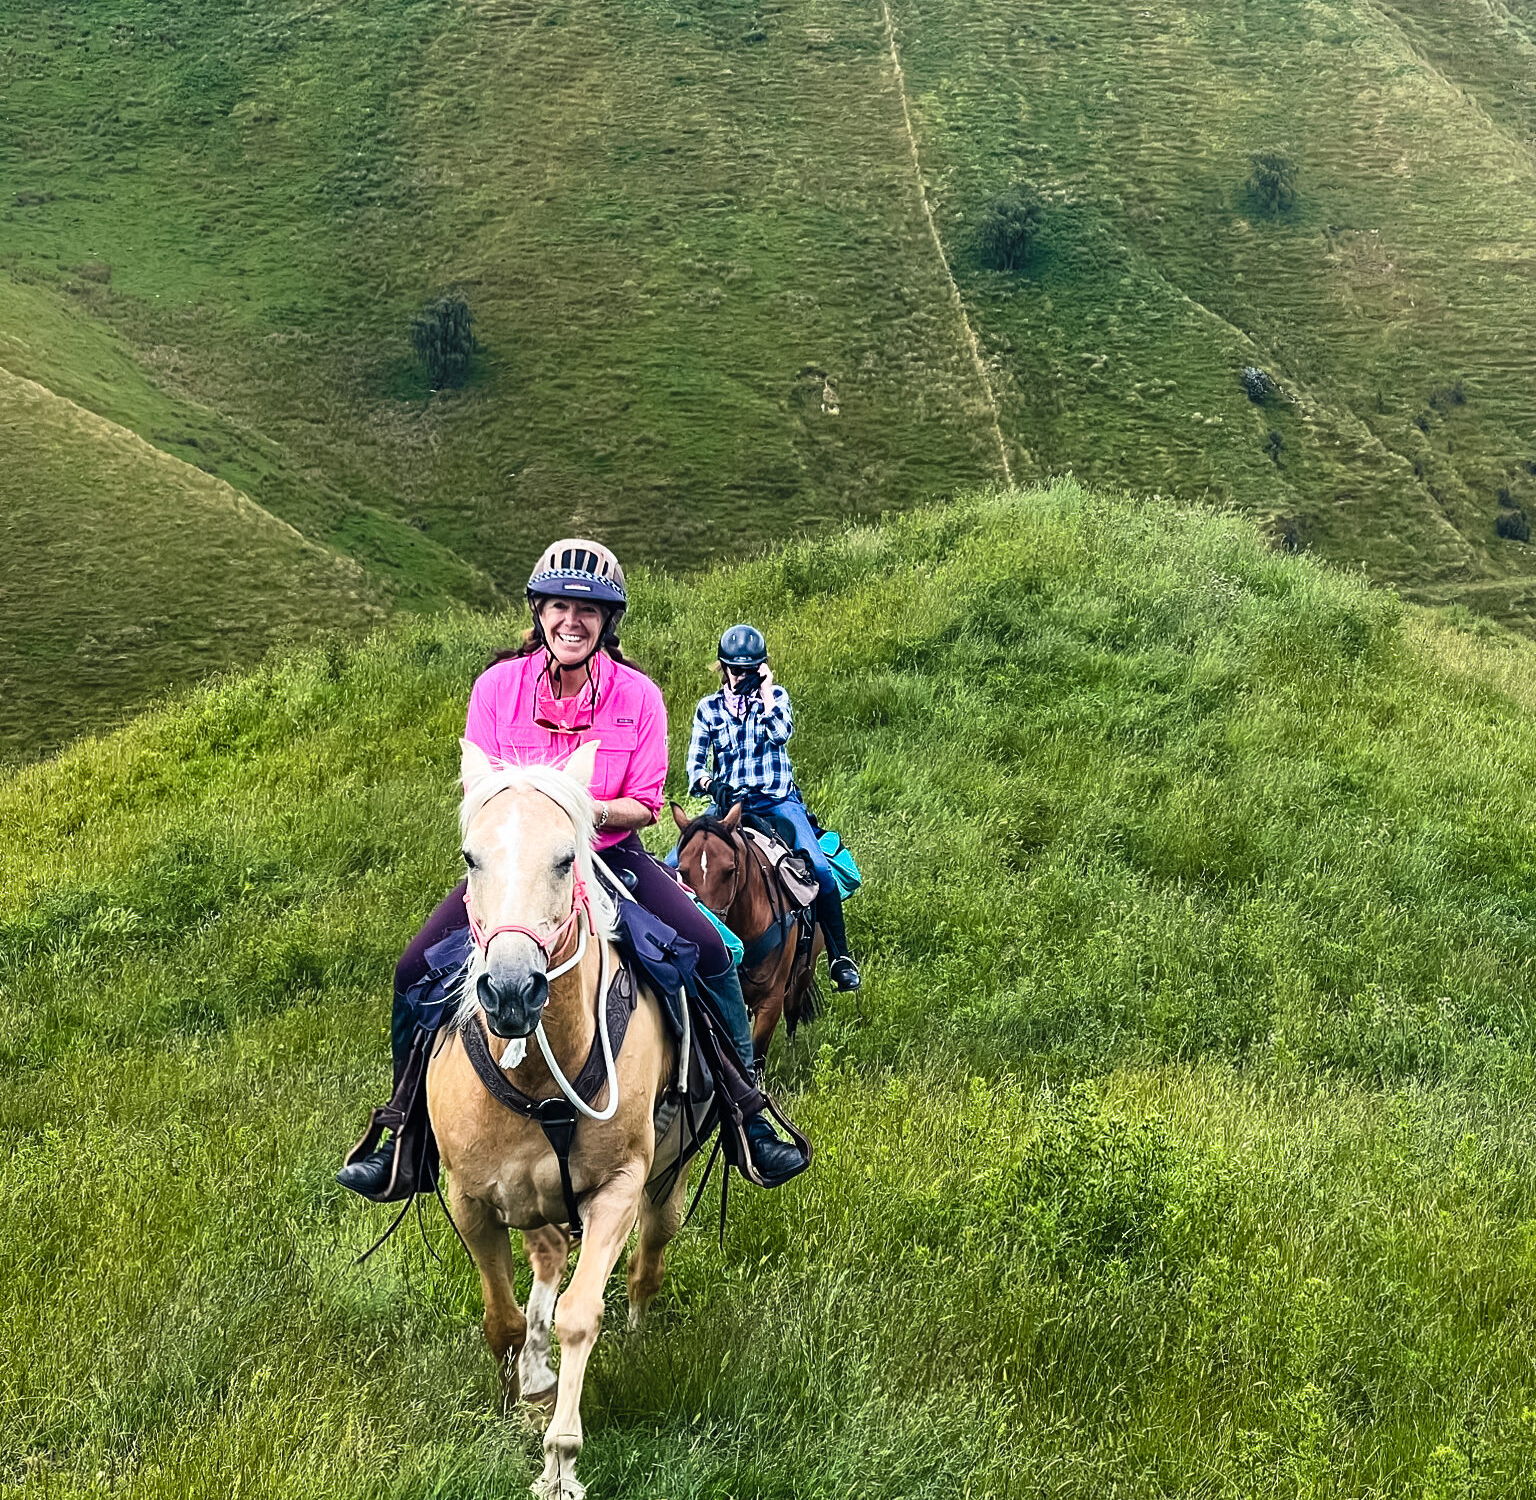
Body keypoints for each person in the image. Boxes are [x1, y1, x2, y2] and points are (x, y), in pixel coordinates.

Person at [336, 540, 810, 1200]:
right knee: (415, 967)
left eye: (588, 610)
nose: (572, 620)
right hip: (519, 864)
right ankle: (403, 1141)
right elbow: (480, 794)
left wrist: (579, 811)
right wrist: (533, 822)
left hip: (611, 854)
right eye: (559, 606)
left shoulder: (639, 697)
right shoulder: (496, 689)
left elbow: (646, 803)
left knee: (708, 952)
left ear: (607, 621)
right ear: (539, 612)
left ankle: (746, 1121)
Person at [686, 624, 861, 993]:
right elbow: (695, 766)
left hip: (777, 800)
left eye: (749, 670)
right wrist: (711, 785)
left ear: (762, 668)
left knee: (820, 870)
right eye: (735, 669)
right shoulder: (708, 708)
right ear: (723, 667)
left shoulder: (776, 698)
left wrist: (764, 692)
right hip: (729, 805)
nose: (741, 676)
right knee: (676, 866)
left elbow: (781, 733)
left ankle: (840, 958)